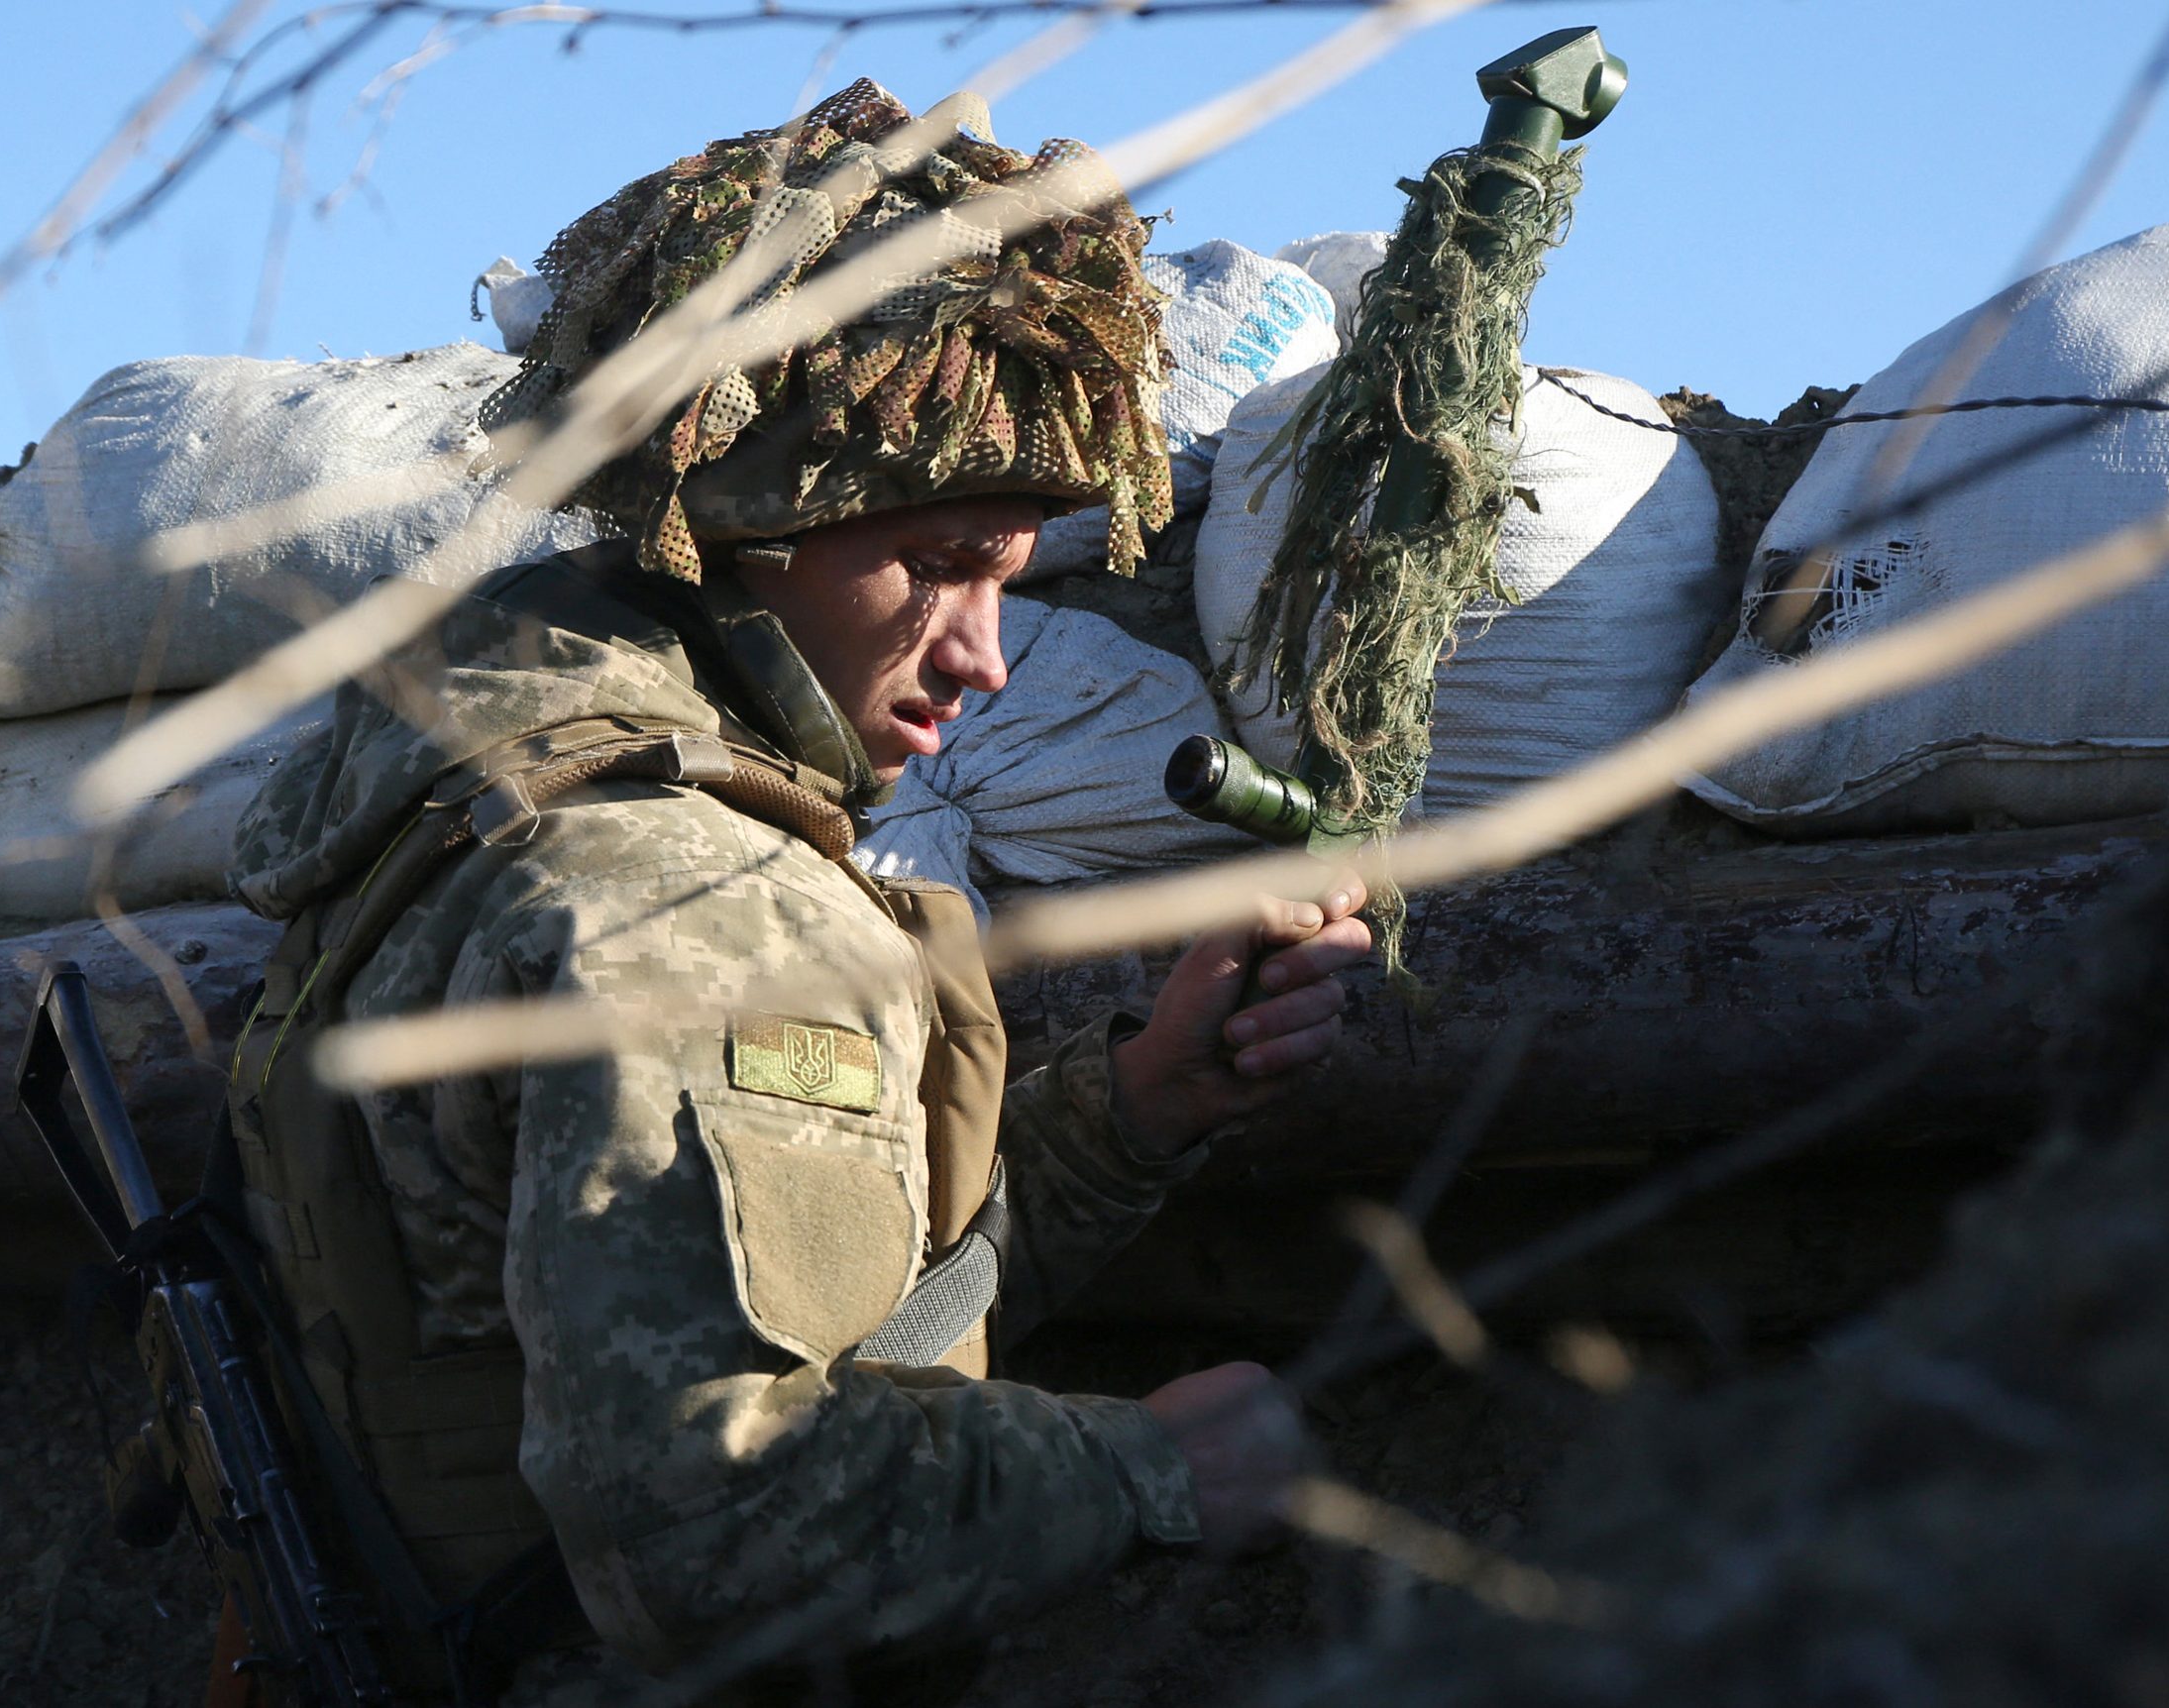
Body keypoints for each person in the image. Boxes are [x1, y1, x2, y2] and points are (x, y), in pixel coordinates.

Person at [217, 79, 1373, 1703]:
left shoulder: (475, 793)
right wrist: (1150, 1473)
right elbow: (710, 1535)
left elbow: (768, 1318)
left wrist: (1131, 1111)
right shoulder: (695, 904)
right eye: (944, 562)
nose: (983, 654)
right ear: (764, 527)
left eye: (1008, 576)